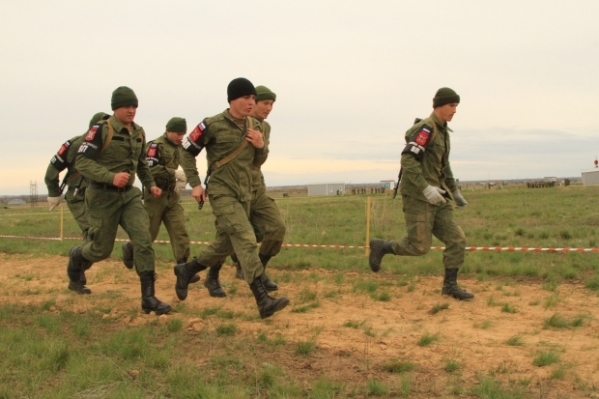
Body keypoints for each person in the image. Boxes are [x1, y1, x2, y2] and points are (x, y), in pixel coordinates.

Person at [175, 77, 289, 319]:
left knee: (224, 245)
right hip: (222, 192)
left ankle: (187, 270)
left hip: (247, 192)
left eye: (252, 98)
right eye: (247, 98)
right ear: (233, 100)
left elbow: (258, 162)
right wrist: (194, 184)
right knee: (246, 238)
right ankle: (262, 300)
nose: (252, 102)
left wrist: (261, 146)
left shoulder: (255, 127)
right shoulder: (212, 124)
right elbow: (186, 151)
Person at [68, 86, 171, 315]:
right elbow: (82, 163)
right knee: (101, 250)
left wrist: (151, 184)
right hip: (101, 197)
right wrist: (111, 177)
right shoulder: (101, 130)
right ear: (116, 108)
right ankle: (77, 256)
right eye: (127, 106)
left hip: (129, 196)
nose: (132, 110)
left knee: (143, 240)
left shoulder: (139, 133)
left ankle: (148, 298)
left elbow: (142, 164)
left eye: (134, 106)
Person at [368, 87, 473, 300]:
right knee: (419, 246)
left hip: (439, 197)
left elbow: (444, 165)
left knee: (457, 239)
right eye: (452, 106)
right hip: (419, 196)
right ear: (439, 106)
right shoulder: (426, 129)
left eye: (456, 106)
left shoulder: (443, 132)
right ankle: (382, 246)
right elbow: (407, 159)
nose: (455, 111)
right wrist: (425, 187)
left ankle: (450, 286)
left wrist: (454, 190)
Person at [205, 85, 285, 297]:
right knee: (228, 236)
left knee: (276, 228)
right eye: (264, 103)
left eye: (271, 104)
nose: (268, 108)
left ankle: (258, 269)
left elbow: (260, 159)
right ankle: (212, 276)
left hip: (256, 187)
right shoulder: (230, 124)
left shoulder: (264, 128)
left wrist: (260, 146)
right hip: (231, 189)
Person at [120, 117, 200, 284]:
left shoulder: (179, 148)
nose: (181, 137)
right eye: (178, 133)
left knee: (180, 230)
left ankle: (183, 267)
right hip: (155, 196)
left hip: (172, 196)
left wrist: (181, 182)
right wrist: (172, 173)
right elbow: (149, 169)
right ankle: (131, 249)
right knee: (149, 234)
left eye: (183, 134)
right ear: (169, 131)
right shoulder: (155, 146)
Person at [45, 111, 109, 289]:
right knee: (93, 234)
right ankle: (76, 272)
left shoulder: (113, 145)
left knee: (102, 238)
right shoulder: (74, 144)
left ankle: (78, 262)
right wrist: (53, 192)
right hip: (78, 196)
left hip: (101, 198)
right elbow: (53, 168)